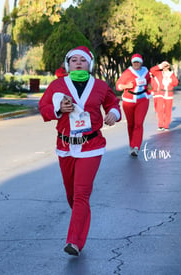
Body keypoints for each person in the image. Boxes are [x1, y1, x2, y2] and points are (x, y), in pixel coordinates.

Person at [38, 46, 121, 256]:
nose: (77, 63)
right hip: (65, 146)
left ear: (89, 64)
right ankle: (80, 223)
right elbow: (43, 107)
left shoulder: (100, 86)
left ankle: (74, 241)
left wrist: (113, 114)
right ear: (68, 64)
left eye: (82, 60)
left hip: (91, 146)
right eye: (73, 60)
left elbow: (113, 104)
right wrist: (58, 110)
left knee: (81, 194)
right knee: (71, 195)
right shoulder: (58, 85)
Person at [115, 53, 151, 156]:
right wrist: (127, 85)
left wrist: (150, 85)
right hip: (129, 100)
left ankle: (136, 147)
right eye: (134, 62)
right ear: (132, 63)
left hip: (143, 99)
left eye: (138, 62)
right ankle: (131, 144)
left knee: (138, 124)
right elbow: (118, 86)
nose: (136, 63)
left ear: (141, 63)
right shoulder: (127, 73)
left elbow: (150, 81)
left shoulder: (145, 72)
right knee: (131, 124)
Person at [150, 61, 178, 131]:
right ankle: (160, 125)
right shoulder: (159, 73)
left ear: (169, 66)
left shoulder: (172, 74)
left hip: (169, 94)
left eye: (166, 66)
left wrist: (170, 80)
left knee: (168, 110)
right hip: (160, 94)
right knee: (160, 109)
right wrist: (160, 66)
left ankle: (166, 125)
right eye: (163, 66)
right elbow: (151, 70)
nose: (164, 68)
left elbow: (176, 83)